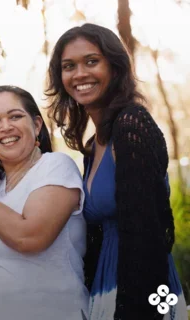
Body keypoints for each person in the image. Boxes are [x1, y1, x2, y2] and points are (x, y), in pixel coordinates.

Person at [46, 23, 188, 319]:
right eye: (69, 66)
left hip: (143, 294)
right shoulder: (92, 146)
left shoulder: (132, 125)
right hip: (105, 289)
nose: (80, 74)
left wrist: (138, 308)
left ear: (115, 66)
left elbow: (148, 233)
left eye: (91, 61)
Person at [0, 85, 89, 319]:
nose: (5, 126)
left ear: (37, 125)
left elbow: (30, 237)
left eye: (15, 116)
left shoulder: (55, 167)